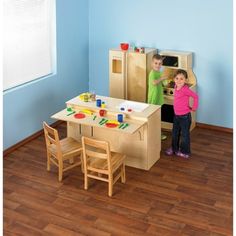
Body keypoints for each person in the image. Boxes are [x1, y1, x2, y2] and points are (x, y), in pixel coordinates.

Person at [165, 69, 199, 158]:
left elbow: (195, 96)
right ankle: (174, 148)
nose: (179, 81)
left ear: (186, 80)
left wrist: (194, 107)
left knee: (185, 135)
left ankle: (185, 152)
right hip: (176, 115)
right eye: (177, 78)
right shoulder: (176, 86)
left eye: (181, 79)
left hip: (185, 117)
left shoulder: (185, 89)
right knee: (175, 133)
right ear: (174, 79)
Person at [148, 54, 167, 140]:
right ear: (152, 63)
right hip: (153, 98)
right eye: (156, 63)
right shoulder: (152, 73)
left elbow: (163, 83)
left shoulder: (159, 72)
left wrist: (165, 81)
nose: (158, 65)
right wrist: (162, 79)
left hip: (158, 98)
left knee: (157, 118)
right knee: (153, 118)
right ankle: (154, 134)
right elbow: (154, 82)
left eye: (160, 63)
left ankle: (157, 133)